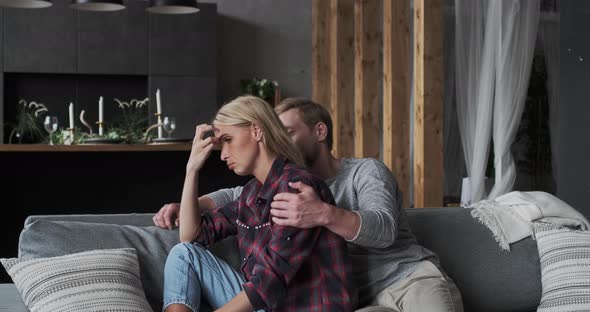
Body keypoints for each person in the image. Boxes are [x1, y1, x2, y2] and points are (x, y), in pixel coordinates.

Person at [155, 97, 463, 312]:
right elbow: (230, 199)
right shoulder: (265, 190)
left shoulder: (359, 173)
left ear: (319, 132)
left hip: (409, 279)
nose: (280, 135)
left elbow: (383, 229)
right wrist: (190, 182)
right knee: (184, 252)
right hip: (366, 294)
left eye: (287, 131)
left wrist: (326, 213)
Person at [162, 95, 356, 312]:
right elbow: (191, 236)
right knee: (184, 254)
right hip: (267, 306)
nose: (223, 155)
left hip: (303, 307)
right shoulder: (251, 193)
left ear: (256, 130)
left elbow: (268, 282)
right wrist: (192, 170)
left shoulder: (296, 188)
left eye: (228, 140)